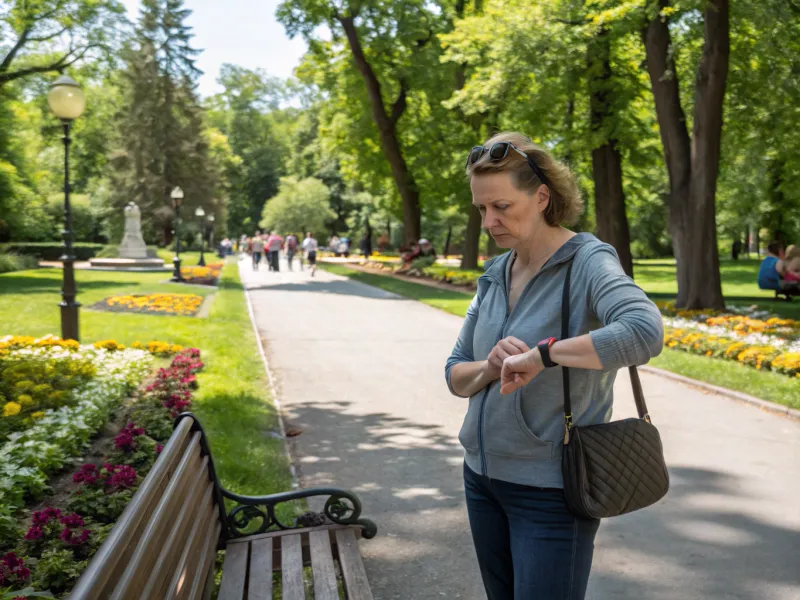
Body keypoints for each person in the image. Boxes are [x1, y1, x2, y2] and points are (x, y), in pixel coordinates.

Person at [445, 132, 663, 600]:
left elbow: (645, 331)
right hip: (481, 480)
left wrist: (543, 355)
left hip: (550, 492)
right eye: (482, 209)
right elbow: (455, 373)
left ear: (542, 196)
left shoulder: (587, 260)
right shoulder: (495, 274)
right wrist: (490, 366)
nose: (490, 221)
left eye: (501, 206)